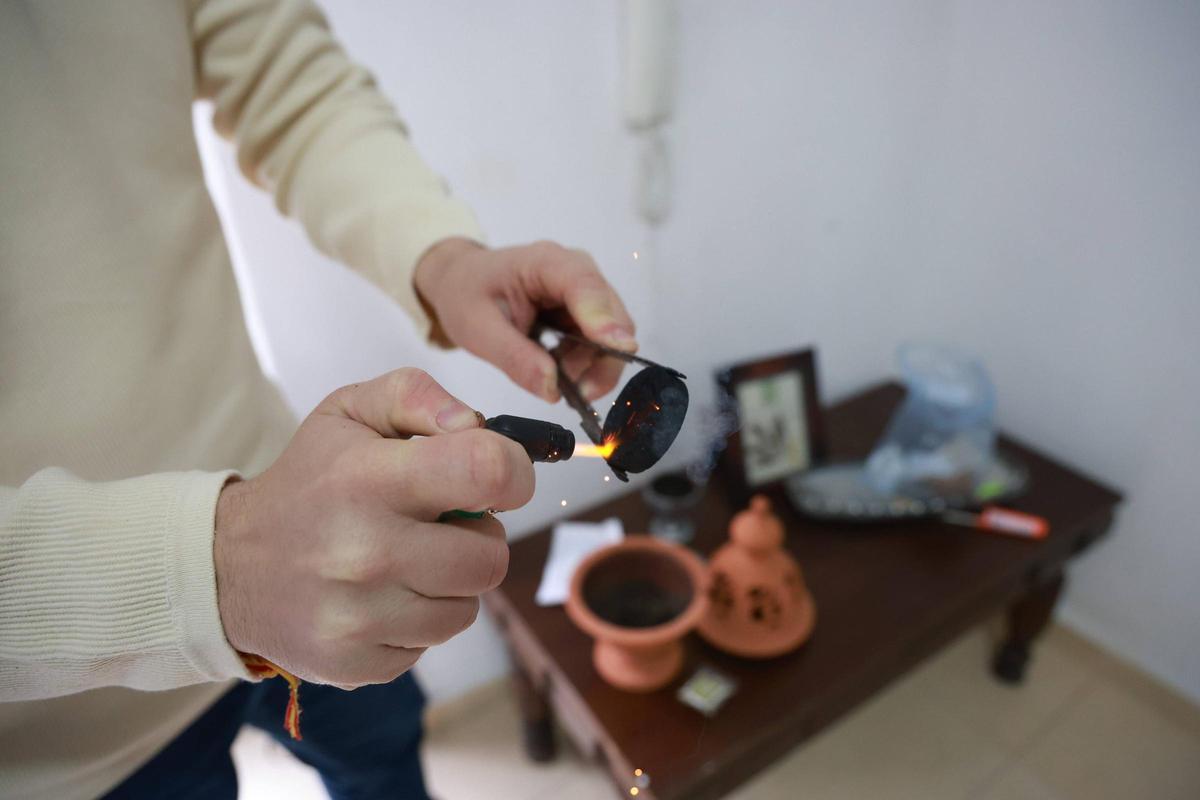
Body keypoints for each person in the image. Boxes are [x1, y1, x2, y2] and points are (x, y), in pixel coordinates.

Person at [0, 2, 636, 798]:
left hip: (302, 522)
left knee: (386, 757)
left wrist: (440, 258)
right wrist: (213, 569)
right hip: (71, 734)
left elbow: (279, 68)